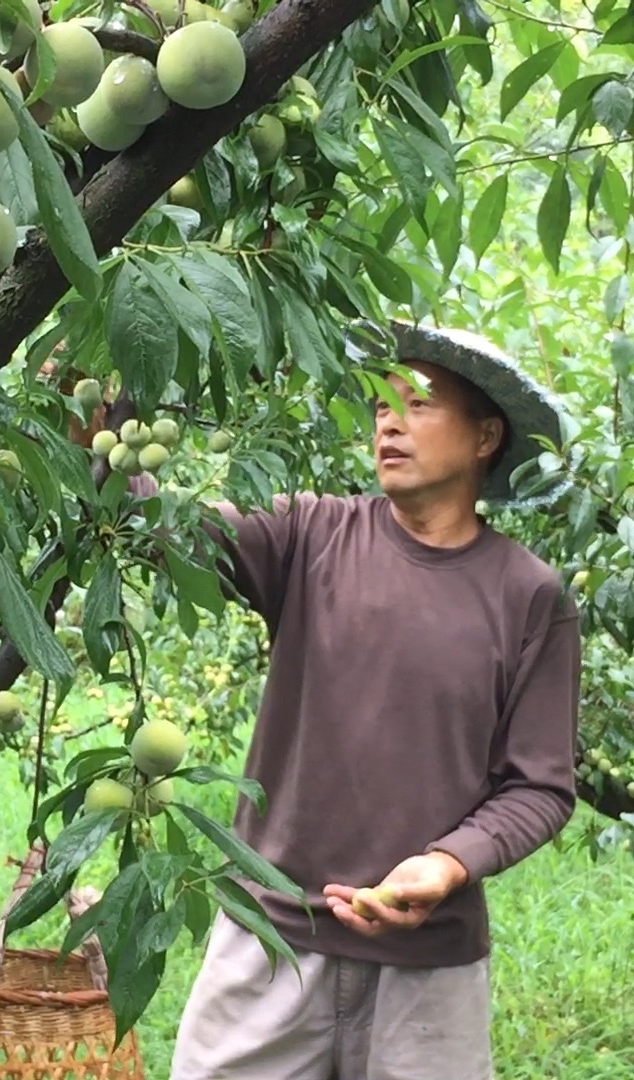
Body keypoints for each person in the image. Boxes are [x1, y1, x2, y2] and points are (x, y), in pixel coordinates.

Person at [110, 321, 581, 1079]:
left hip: (428, 972)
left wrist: (449, 865)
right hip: (272, 943)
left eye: (418, 405)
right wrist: (104, 434)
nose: (388, 422)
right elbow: (169, 535)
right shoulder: (310, 535)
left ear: (486, 434)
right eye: (380, 405)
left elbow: (540, 785)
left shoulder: (529, 597)